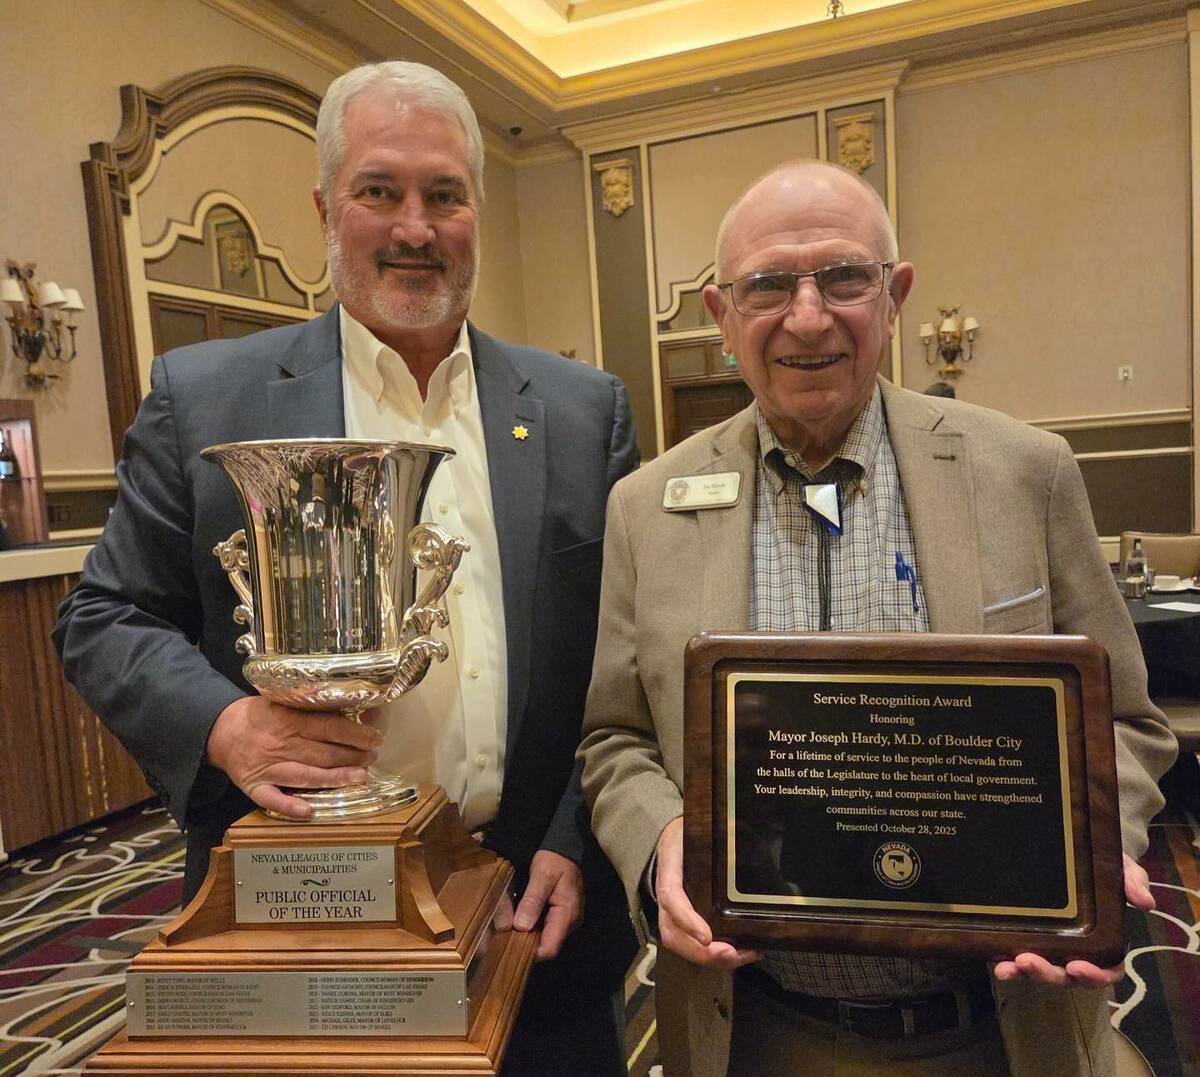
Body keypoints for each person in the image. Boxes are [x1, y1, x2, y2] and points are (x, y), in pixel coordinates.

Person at [54, 60, 637, 1075]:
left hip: (533, 914)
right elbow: (103, 616)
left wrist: (575, 841)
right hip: (302, 916)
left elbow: (625, 668)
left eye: (443, 195)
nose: (414, 226)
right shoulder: (205, 400)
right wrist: (226, 725)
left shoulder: (586, 413)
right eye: (380, 191)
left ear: (476, 212)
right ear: (327, 208)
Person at [578, 159, 1177, 1076]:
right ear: (721, 316)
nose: (808, 316)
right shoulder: (645, 506)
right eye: (769, 285)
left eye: (843, 277)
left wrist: (1093, 848)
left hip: (1000, 1024)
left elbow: (1130, 722)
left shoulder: (1027, 473)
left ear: (894, 298)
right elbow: (616, 738)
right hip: (752, 1026)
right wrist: (661, 837)